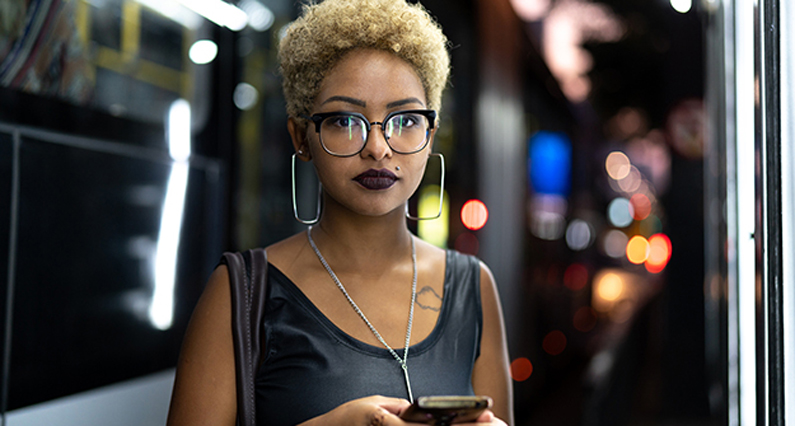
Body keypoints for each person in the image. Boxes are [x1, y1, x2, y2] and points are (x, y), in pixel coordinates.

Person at [166, 0, 513, 425]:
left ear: (431, 134)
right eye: (346, 121)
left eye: (405, 120)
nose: (378, 147)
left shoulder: (474, 288)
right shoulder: (243, 293)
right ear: (301, 138)